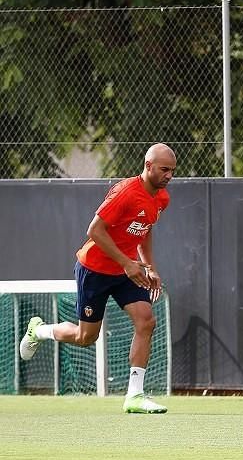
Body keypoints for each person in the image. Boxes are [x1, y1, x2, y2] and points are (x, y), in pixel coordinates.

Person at [19, 143, 176, 414]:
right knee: (85, 337)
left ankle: (134, 396)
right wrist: (127, 263)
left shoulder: (161, 198)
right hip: (94, 270)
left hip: (125, 270)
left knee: (146, 320)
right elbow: (95, 230)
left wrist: (150, 267)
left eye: (173, 171)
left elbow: (145, 229)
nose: (169, 176)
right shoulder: (126, 192)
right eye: (164, 170)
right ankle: (40, 330)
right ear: (148, 166)